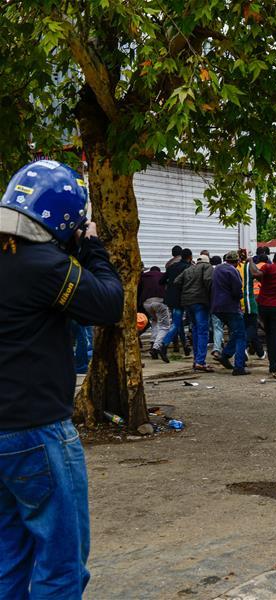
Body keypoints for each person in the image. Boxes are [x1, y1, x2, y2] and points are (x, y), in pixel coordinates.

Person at [0, 160, 123, 598]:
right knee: (61, 564)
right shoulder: (43, 264)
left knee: (8, 556)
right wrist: (91, 248)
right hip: (37, 431)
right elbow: (108, 304)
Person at [250, 251, 276, 375]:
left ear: (273, 260)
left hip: (263, 305)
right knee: (275, 336)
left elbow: (255, 273)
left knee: (267, 333)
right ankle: (274, 366)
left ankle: (265, 355)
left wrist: (250, 261)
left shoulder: (268, 267)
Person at [211, 251, 249, 375]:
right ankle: (239, 367)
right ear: (237, 261)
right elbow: (237, 290)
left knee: (236, 333)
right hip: (231, 307)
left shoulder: (217, 269)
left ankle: (225, 354)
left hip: (217, 308)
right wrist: (240, 298)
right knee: (241, 336)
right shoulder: (233, 271)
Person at [174, 253, 213, 371]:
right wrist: (210, 295)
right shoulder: (207, 267)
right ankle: (200, 361)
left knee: (195, 330)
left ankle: (196, 360)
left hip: (187, 302)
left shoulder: (189, 269)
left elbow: (176, 281)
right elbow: (208, 280)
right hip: (200, 302)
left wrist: (186, 290)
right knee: (203, 331)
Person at [160, 247, 192, 359]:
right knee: (177, 323)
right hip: (182, 299)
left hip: (170, 299)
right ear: (190, 257)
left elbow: (161, 281)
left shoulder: (172, 266)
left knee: (177, 322)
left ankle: (185, 346)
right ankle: (163, 344)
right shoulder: (189, 267)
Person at [238, 248, 264, 359]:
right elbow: (259, 275)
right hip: (248, 299)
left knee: (248, 327)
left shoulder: (235, 267)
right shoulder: (249, 267)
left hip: (237, 300)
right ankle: (243, 346)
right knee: (252, 326)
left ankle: (260, 352)